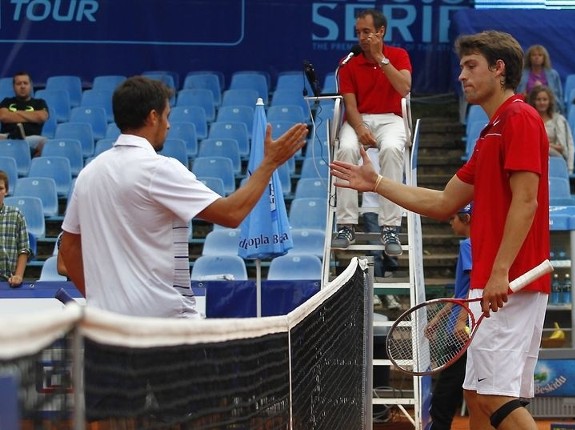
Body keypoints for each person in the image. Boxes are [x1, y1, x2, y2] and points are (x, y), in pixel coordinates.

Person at [330, 30, 550, 430]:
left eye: (471, 66)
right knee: (476, 395)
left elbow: (526, 201)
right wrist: (376, 183)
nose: (462, 76)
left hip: (512, 283)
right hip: (491, 281)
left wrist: (501, 271)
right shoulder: (489, 135)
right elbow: (443, 203)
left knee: (496, 396)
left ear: (499, 70)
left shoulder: (520, 117)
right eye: (461, 67)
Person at [58, 76, 307, 422]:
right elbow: (232, 214)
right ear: (152, 117)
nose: (170, 123)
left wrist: (102, 302)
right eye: (167, 114)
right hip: (167, 332)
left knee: (108, 422)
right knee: (194, 419)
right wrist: (267, 165)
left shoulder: (88, 174)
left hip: (107, 332)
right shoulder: (159, 170)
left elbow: (67, 250)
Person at [330, 8, 412, 257]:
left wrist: (381, 59)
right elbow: (350, 106)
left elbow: (404, 88)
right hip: (359, 119)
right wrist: (360, 127)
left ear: (381, 31)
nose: (362, 37)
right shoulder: (349, 63)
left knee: (390, 148)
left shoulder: (398, 55)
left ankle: (390, 228)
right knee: (345, 148)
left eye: (367, 31)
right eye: (358, 32)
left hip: (391, 118)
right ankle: (346, 225)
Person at [429, 203, 472, 430]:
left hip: (461, 333)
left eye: (453, 218)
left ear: (466, 219)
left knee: (444, 397)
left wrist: (459, 321)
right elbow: (461, 292)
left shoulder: (468, 245)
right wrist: (438, 319)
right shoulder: (479, 245)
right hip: (465, 329)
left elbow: (475, 284)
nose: (450, 222)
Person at [361, 148, 400, 310]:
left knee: (390, 255)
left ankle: (387, 290)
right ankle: (378, 291)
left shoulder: (395, 148)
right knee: (375, 252)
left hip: (393, 207)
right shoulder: (365, 152)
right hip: (371, 208)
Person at [527, 85, 575, 173]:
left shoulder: (559, 120)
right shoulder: (528, 120)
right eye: (538, 99)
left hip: (555, 159)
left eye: (545, 99)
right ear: (533, 101)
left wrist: (542, 144)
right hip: (533, 160)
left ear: (549, 102)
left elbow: (562, 148)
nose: (542, 102)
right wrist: (548, 144)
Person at [0, 71, 49, 156]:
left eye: (25, 83)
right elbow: (4, 117)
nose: (22, 86)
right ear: (14, 86)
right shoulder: (6, 101)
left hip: (30, 139)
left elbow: (41, 117)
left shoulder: (39, 103)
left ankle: (31, 166)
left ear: (30, 85)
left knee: (45, 143)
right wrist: (32, 116)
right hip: (7, 137)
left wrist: (14, 114)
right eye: (19, 84)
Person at [0, 170, 31, 287]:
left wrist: (18, 276)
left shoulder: (16, 215)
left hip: (9, 281)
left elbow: (24, 249)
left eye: (0, 189)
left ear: (6, 191)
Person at [517, 44, 564, 114]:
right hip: (527, 109)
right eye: (534, 55)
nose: (537, 57)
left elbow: (559, 96)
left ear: (544, 58)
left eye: (540, 55)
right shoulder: (521, 74)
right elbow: (516, 93)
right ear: (529, 58)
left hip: (549, 111)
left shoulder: (553, 75)